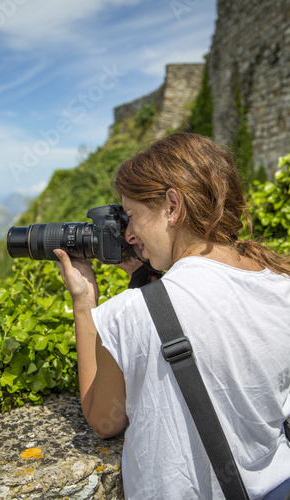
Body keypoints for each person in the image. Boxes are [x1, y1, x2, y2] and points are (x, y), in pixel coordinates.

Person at [53, 132, 290, 500]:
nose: (128, 235)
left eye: (131, 217)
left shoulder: (132, 313)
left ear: (172, 207)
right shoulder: (280, 282)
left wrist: (85, 301)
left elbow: (104, 420)